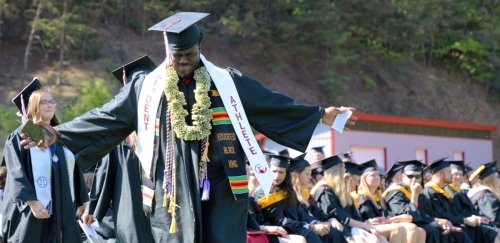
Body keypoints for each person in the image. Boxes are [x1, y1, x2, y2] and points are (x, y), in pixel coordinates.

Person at [21, 12, 357, 243]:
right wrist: (55, 134)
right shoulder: (146, 88)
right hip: (172, 187)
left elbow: (274, 105)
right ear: (167, 52)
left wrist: (323, 115)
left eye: (189, 54)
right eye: (177, 56)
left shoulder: (227, 82)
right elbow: (107, 117)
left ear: (201, 47)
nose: (183, 61)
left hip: (222, 183)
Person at [80, 55, 157, 242]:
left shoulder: (163, 126)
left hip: (151, 210)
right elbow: (106, 172)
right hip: (132, 209)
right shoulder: (122, 132)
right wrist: (93, 208)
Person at [1, 78, 88, 243]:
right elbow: (15, 173)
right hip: (34, 211)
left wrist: (81, 200)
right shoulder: (21, 136)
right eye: (43, 102)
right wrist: (32, 201)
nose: (49, 105)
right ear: (33, 107)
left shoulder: (61, 137)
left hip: (63, 208)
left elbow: (74, 168)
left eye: (51, 101)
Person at [254, 155, 345, 243]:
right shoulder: (263, 193)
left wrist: (317, 222)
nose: (277, 176)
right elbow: (279, 220)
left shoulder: (287, 191)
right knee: (309, 235)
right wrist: (310, 227)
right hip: (275, 230)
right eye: (274, 171)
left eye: (281, 172)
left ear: (286, 174)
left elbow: (300, 214)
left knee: (332, 233)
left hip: (293, 227)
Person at [310, 155, 386, 243]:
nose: (344, 174)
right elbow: (340, 217)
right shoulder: (324, 191)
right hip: (338, 231)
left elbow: (352, 214)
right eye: (342, 171)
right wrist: (364, 225)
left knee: (381, 239)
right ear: (336, 173)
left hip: (350, 227)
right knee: (374, 240)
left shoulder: (339, 190)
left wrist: (364, 224)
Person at [355, 159, 426, 243]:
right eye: (372, 175)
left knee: (421, 231)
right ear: (364, 179)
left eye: (378, 175)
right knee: (402, 228)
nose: (377, 177)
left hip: (383, 225)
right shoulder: (361, 197)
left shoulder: (379, 197)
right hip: (366, 227)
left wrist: (389, 219)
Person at [382, 160, 452, 243]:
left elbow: (423, 215)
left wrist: (439, 221)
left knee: (445, 229)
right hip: (402, 225)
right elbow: (408, 217)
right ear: (403, 176)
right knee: (433, 231)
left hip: (417, 223)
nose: (414, 179)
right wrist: (414, 194)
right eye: (410, 176)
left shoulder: (419, 191)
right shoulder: (396, 192)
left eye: (417, 176)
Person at [422, 158, 479, 242]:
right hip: (441, 227)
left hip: (452, 223)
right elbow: (441, 214)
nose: (451, 175)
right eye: (449, 172)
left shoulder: (442, 190)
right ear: (439, 174)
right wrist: (464, 220)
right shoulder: (429, 192)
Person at [445, 160, 498, 242]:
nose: (458, 177)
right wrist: (473, 218)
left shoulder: (460, 191)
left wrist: (478, 217)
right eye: (455, 174)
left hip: (473, 223)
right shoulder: (448, 191)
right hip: (463, 224)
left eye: (460, 174)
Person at [467, 161, 500, 241]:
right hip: (488, 232)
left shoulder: (478, 192)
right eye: (497, 177)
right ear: (491, 180)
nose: (499, 179)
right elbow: (493, 218)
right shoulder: (485, 194)